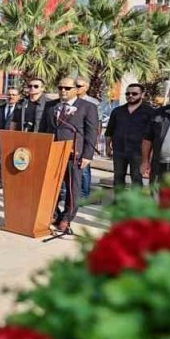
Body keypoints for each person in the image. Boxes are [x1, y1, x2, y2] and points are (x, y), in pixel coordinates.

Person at [39, 78, 100, 233]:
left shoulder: (88, 107)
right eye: (60, 87)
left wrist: (87, 155)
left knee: (73, 189)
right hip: (53, 153)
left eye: (67, 88)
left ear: (76, 89)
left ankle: (67, 218)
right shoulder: (51, 105)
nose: (63, 91)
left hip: (75, 154)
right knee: (52, 187)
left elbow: (92, 133)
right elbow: (44, 130)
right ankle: (54, 214)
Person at [104, 83, 153, 189]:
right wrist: (108, 146)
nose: (130, 96)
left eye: (134, 93)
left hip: (138, 152)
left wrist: (150, 154)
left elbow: (153, 135)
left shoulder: (150, 112)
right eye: (127, 93)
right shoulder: (117, 111)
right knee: (118, 177)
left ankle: (135, 204)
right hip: (119, 150)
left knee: (136, 178)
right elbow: (109, 131)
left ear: (142, 95)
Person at [0, 88, 21, 188]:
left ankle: (12, 183)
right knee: (1, 163)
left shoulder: (20, 109)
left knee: (14, 163)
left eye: (14, 95)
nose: (11, 97)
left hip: (14, 141)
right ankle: (1, 182)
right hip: (0, 140)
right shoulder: (0, 108)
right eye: (9, 95)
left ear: (18, 97)